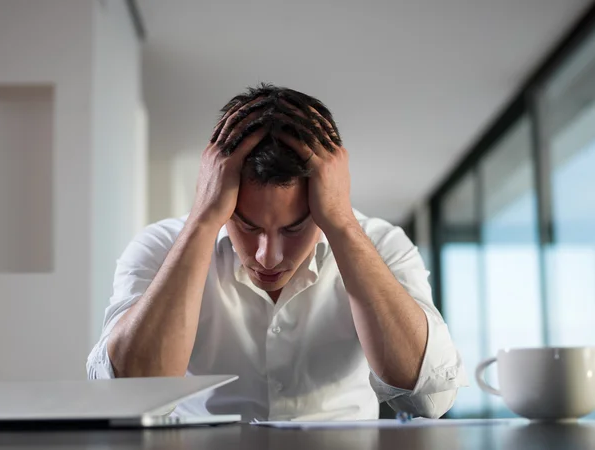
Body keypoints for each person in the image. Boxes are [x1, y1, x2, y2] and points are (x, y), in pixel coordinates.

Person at [87, 84, 467, 421]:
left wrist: (342, 224)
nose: (268, 258)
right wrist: (203, 221)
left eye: (294, 227)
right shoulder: (159, 247)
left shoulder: (382, 244)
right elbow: (126, 397)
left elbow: (428, 400)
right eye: (248, 226)